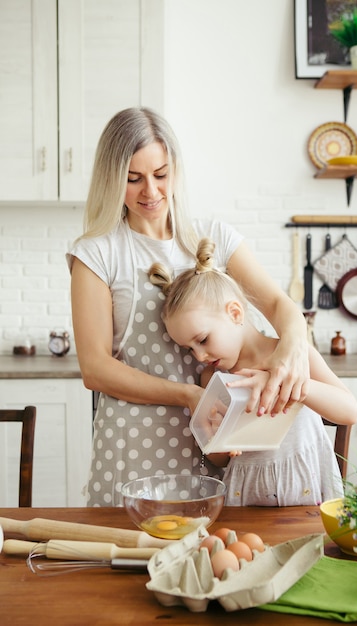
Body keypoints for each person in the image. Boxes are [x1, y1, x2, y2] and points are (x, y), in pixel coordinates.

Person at [67, 106, 311, 507]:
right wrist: (187, 396)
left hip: (215, 446)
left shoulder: (213, 237)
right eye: (133, 179)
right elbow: (95, 369)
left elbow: (278, 304)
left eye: (161, 175)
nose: (151, 191)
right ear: (112, 179)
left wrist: (293, 348)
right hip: (134, 445)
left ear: (175, 169)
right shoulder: (97, 254)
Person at [149, 238, 357, 506]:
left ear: (234, 313)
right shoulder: (212, 380)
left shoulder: (293, 355)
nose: (199, 356)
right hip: (244, 496)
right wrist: (209, 433)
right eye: (189, 349)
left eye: (202, 340)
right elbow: (222, 459)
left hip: (306, 491)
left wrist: (287, 382)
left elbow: (349, 411)